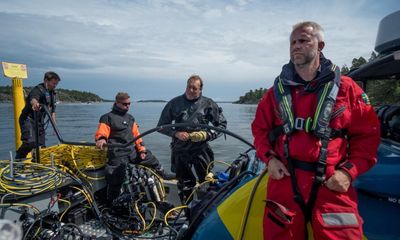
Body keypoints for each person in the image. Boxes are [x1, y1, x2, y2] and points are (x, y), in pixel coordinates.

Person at [251, 22, 380, 240]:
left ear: (320, 45)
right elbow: (260, 131)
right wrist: (270, 160)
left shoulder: (347, 89)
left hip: (332, 184)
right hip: (285, 182)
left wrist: (348, 172)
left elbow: (368, 136)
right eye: (293, 42)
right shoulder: (275, 93)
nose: (296, 46)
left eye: (303, 40)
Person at [157, 74, 227, 203]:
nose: (191, 90)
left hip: (201, 150)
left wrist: (207, 135)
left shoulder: (208, 104)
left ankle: (205, 209)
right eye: (189, 87)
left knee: (206, 182)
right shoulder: (174, 103)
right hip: (180, 149)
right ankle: (186, 209)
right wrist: (175, 134)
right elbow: (161, 126)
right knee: (185, 184)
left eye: (194, 88)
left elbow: (222, 125)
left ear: (200, 89)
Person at [95, 92, 174, 205]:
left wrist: (142, 150)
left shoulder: (130, 118)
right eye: (125, 104)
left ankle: (163, 173)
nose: (127, 106)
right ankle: (111, 202)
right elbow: (102, 133)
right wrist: (101, 140)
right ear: (117, 103)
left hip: (132, 151)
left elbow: (137, 136)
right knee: (115, 176)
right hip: (118, 153)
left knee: (150, 157)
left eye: (129, 104)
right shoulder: (107, 117)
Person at [16, 71, 61, 159]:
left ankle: (37, 165)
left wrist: (55, 126)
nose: (55, 85)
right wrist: (35, 104)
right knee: (30, 142)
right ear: (46, 81)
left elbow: (52, 111)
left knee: (41, 146)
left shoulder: (52, 93)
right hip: (28, 119)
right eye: (53, 83)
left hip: (40, 122)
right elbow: (33, 98)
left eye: (56, 84)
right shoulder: (38, 89)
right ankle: (18, 158)